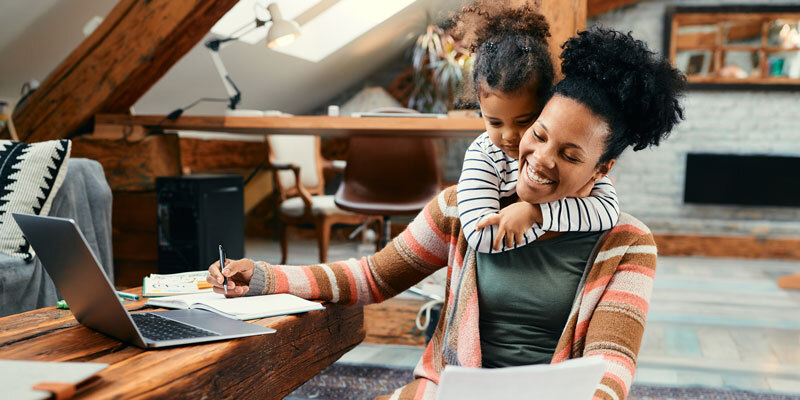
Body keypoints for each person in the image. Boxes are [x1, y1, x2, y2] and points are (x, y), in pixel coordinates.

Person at [207, 23, 685, 400]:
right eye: (539, 134)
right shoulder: (462, 209)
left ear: (603, 168)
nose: (540, 158)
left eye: (571, 155)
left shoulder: (627, 243)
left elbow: (611, 367)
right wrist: (267, 277)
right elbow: (371, 277)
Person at [454, 5, 619, 253]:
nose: (509, 136)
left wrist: (535, 213)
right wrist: (563, 212)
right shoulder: (484, 155)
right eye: (494, 122)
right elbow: (483, 236)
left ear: (546, 107)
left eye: (524, 122)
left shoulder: (581, 166)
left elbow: (607, 211)